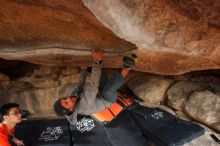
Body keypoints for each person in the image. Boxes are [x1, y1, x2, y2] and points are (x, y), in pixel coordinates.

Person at [54, 49, 137, 125]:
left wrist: (84, 70)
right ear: (70, 109)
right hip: (107, 99)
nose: (68, 99)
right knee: (107, 90)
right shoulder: (84, 106)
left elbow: (79, 85)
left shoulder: (72, 99)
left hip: (99, 92)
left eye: (64, 99)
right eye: (66, 103)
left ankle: (100, 58)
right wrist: (96, 61)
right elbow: (93, 85)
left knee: (97, 71)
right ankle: (127, 67)